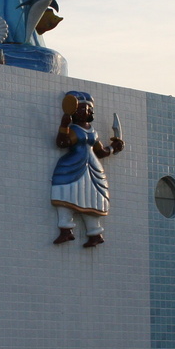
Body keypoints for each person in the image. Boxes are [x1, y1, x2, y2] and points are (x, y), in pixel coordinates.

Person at [51, 91, 124, 247]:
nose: (85, 112)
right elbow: (62, 143)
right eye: (81, 109)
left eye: (88, 110)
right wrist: (63, 126)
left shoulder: (93, 132)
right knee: (65, 194)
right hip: (71, 165)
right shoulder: (72, 129)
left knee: (92, 198)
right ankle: (66, 230)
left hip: (92, 167)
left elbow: (100, 151)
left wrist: (113, 147)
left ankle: (95, 233)